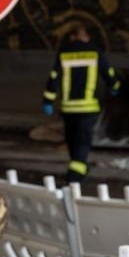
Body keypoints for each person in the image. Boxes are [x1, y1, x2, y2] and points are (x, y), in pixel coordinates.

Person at [42, 24, 119, 183]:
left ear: (71, 37)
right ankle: (74, 176)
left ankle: (78, 167)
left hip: (68, 108)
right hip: (88, 107)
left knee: (72, 139)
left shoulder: (63, 54)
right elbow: (108, 73)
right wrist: (115, 87)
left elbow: (54, 77)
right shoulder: (95, 52)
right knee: (83, 141)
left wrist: (48, 101)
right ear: (87, 37)